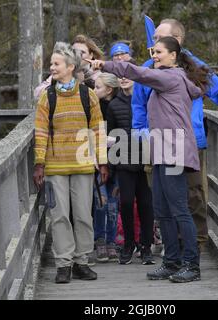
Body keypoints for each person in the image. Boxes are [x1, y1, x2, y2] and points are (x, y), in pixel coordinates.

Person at [87, 35, 210, 283]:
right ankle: (171, 262)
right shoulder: (166, 79)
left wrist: (104, 65)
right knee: (162, 210)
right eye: (153, 53)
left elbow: (136, 73)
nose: (154, 56)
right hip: (162, 151)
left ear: (173, 56)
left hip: (174, 152)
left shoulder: (171, 77)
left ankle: (191, 265)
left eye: (159, 52)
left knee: (179, 210)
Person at [132, 18, 218, 253]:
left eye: (158, 39)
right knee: (163, 198)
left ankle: (195, 246)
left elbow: (217, 88)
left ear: (175, 42)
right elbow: (138, 106)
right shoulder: (147, 69)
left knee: (192, 194)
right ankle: (173, 248)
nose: (153, 43)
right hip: (158, 143)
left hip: (189, 141)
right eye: (154, 38)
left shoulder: (193, 68)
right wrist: (141, 133)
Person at [33, 42, 108, 284]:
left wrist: (103, 161)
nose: (52, 67)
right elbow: (41, 131)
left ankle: (81, 262)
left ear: (70, 67)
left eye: (56, 64)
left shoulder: (88, 95)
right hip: (55, 168)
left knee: (84, 215)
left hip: (84, 166)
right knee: (60, 216)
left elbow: (98, 129)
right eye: (52, 63)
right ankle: (63, 264)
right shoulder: (48, 97)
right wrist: (39, 164)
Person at [106, 68, 155, 265]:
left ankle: (146, 246)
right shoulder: (114, 105)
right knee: (126, 202)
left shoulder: (147, 100)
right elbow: (109, 135)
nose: (124, 79)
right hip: (124, 160)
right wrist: (111, 163)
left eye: (128, 75)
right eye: (120, 76)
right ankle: (128, 244)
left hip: (146, 161)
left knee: (146, 204)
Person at [92, 73, 120, 263]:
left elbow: (124, 132)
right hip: (98, 161)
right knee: (100, 202)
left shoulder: (119, 106)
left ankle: (112, 241)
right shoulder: (93, 108)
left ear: (109, 89)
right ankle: (99, 239)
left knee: (113, 203)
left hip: (117, 161)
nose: (94, 91)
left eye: (97, 88)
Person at [34, 34, 104, 100]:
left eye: (82, 52)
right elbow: (37, 93)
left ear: (91, 55)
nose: (78, 55)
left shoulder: (98, 75)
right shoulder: (62, 72)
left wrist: (87, 78)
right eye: (74, 51)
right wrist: (59, 85)